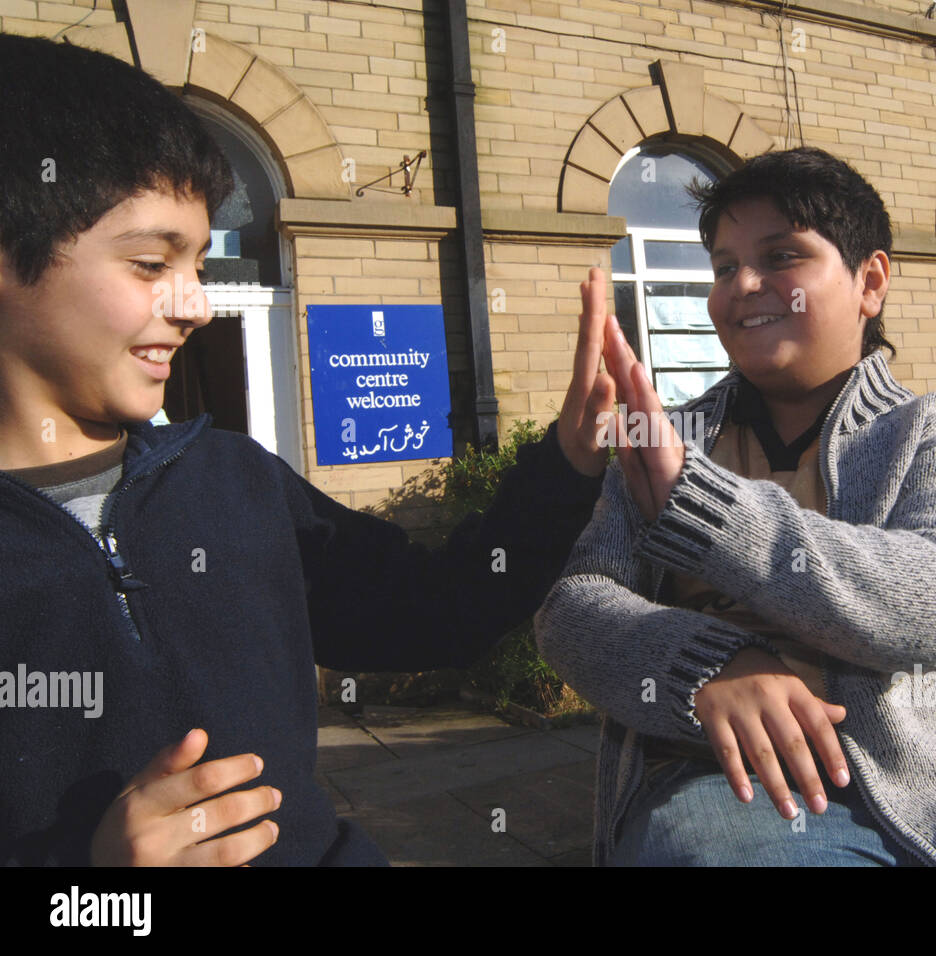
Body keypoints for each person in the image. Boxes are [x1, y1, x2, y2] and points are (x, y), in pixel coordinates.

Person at [0, 32, 616, 866]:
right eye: (151, 263)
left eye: (201, 261)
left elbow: (442, 610)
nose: (196, 307)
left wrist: (568, 461)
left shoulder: (234, 481)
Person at [535, 147, 936, 865]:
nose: (744, 284)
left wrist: (705, 508)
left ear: (869, 281)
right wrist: (703, 665)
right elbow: (572, 606)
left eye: (781, 256)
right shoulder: (665, 439)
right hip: (731, 782)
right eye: (724, 267)